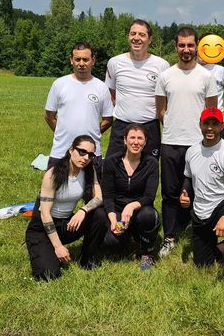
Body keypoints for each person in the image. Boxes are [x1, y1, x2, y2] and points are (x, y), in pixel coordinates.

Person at [155, 27, 218, 257]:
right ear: (176, 47)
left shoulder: (206, 77)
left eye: (190, 45)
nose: (186, 49)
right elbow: (161, 111)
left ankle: (198, 232)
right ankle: (170, 237)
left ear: (197, 46)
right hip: (171, 141)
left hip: (197, 143)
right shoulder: (165, 76)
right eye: (182, 45)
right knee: (170, 193)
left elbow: (211, 113)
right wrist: (174, 125)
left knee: (199, 191)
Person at [180, 107, 224, 291]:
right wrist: (184, 193)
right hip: (201, 211)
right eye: (206, 123)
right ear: (200, 125)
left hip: (222, 205)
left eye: (215, 124)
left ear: (221, 126)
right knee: (204, 265)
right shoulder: (192, 151)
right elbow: (188, 177)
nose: (210, 128)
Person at [25, 135, 107, 280]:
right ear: (71, 150)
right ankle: (48, 248)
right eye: (82, 152)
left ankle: (87, 258)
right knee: (48, 275)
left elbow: (99, 198)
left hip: (66, 224)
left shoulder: (89, 170)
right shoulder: (53, 174)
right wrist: (57, 247)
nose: (86, 157)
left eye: (90, 154)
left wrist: (83, 211)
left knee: (99, 214)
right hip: (43, 228)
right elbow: (44, 214)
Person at [105, 19, 170, 159]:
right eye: (132, 34)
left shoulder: (162, 65)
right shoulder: (114, 63)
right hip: (121, 126)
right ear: (128, 37)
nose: (136, 38)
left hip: (150, 127)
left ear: (150, 39)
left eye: (141, 35)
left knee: (148, 171)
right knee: (113, 169)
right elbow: (112, 94)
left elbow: (165, 100)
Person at [99, 124, 161, 271]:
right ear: (125, 140)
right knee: (112, 243)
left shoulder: (151, 163)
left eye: (140, 138)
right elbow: (107, 196)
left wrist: (132, 205)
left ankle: (147, 252)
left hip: (140, 210)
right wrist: (113, 220)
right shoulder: (111, 162)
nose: (136, 142)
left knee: (149, 215)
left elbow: (149, 196)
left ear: (145, 142)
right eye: (132, 138)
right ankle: (128, 237)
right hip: (118, 212)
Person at [44, 42, 113, 171]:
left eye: (85, 59)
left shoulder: (101, 87)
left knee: (92, 190)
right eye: (77, 59)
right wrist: (61, 132)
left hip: (91, 154)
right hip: (61, 151)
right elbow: (49, 116)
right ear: (71, 60)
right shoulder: (59, 84)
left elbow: (108, 119)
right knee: (54, 190)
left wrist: (91, 135)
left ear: (93, 61)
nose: (81, 63)